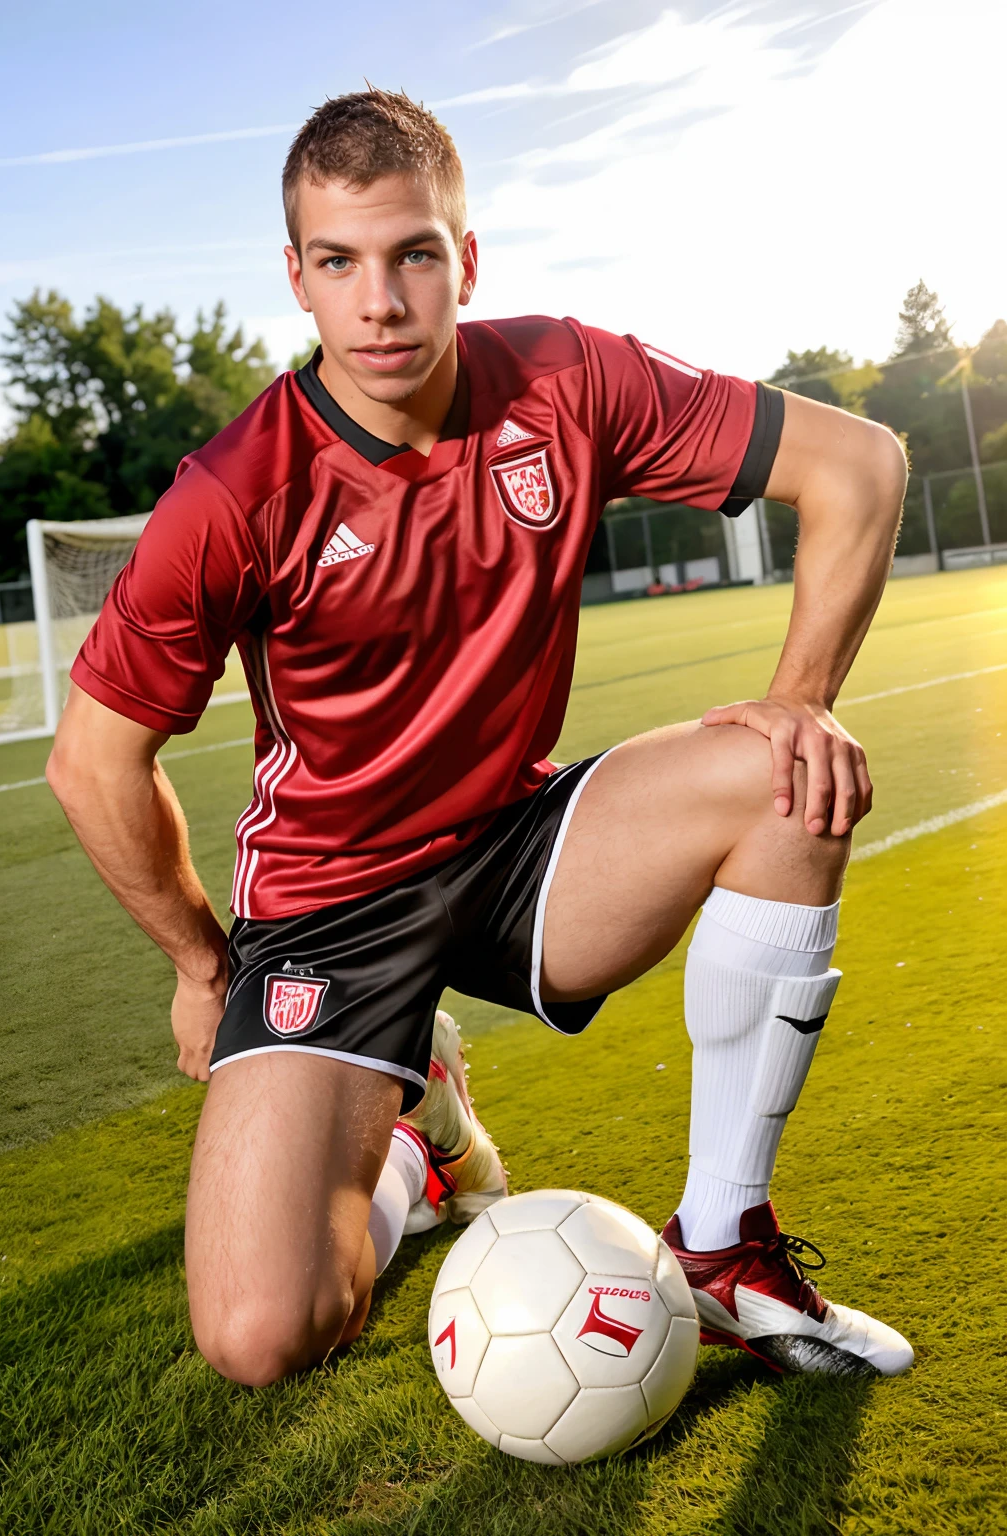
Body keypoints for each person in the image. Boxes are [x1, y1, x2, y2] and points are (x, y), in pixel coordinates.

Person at [47, 88, 913, 1387]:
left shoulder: (566, 377)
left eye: (413, 255)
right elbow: (94, 761)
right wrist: (192, 962)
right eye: (339, 262)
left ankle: (724, 1246)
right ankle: (420, 1141)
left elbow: (861, 466)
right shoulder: (236, 495)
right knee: (260, 1335)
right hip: (328, 906)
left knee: (791, 773)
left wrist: (799, 696)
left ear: (468, 259)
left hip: (521, 847)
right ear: (297, 277)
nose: (380, 301)